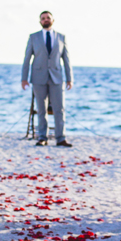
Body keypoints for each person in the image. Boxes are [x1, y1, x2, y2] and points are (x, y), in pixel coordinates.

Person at [21, 11, 72, 147]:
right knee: (41, 109)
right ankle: (42, 137)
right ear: (40, 21)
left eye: (48, 18)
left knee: (59, 109)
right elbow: (27, 58)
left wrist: (69, 78)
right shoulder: (33, 37)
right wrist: (24, 78)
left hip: (57, 78)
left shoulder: (61, 37)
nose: (45, 20)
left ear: (53, 20)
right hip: (38, 78)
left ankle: (60, 138)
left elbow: (66, 59)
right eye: (43, 18)